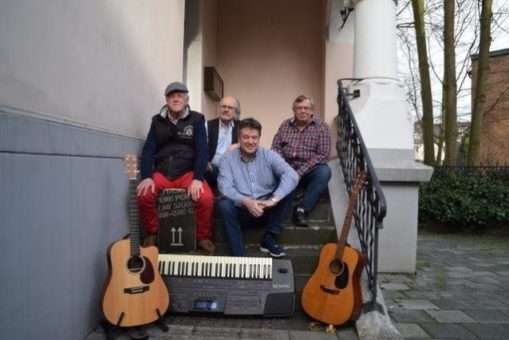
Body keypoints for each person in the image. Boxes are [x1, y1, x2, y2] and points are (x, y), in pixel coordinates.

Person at [136, 81, 215, 255]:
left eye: (180, 95)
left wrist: (197, 178)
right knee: (143, 194)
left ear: (187, 98)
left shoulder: (197, 119)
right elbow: (148, 150)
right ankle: (154, 232)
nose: (176, 98)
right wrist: (147, 176)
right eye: (172, 96)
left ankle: (202, 236)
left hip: (187, 172)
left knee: (206, 198)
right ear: (166, 99)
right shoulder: (157, 121)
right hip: (162, 172)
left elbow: (202, 149)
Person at [217, 118, 299, 257]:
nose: (250, 141)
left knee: (288, 185)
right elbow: (225, 187)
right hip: (242, 212)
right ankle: (238, 256)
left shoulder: (268, 155)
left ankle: (269, 237)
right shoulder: (227, 159)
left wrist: (272, 200)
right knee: (224, 205)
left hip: (267, 210)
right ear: (239, 138)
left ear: (259, 138)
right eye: (246, 137)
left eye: (254, 137)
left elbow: (292, 175)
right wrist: (246, 201)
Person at [271, 95, 331, 228]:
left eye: (306, 108)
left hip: (309, 170)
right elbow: (275, 147)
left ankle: (302, 209)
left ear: (312, 110)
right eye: (299, 108)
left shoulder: (322, 127)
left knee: (324, 172)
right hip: (287, 168)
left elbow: (323, 155)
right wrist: (286, 168)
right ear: (294, 110)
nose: (303, 111)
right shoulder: (285, 125)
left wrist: (298, 173)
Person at [205, 96, 240, 190]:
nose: (226, 110)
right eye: (223, 106)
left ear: (235, 111)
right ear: (218, 108)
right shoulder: (207, 125)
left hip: (232, 170)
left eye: (230, 107)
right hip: (212, 169)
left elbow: (250, 144)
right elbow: (200, 146)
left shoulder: (241, 127)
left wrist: (238, 145)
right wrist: (204, 160)